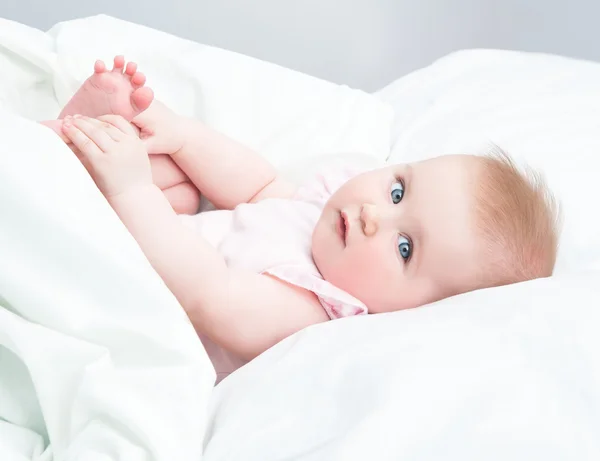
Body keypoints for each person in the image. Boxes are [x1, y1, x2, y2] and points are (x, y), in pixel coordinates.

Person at [46, 57, 560, 382]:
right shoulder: (321, 214)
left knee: (130, 187)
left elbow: (209, 292)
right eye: (398, 190)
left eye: (405, 248)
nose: (374, 216)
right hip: (158, 233)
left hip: (134, 293)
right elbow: (258, 186)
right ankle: (81, 136)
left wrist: (132, 188)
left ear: (410, 313)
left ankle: (56, 151)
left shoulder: (312, 313)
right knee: (178, 179)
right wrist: (183, 135)